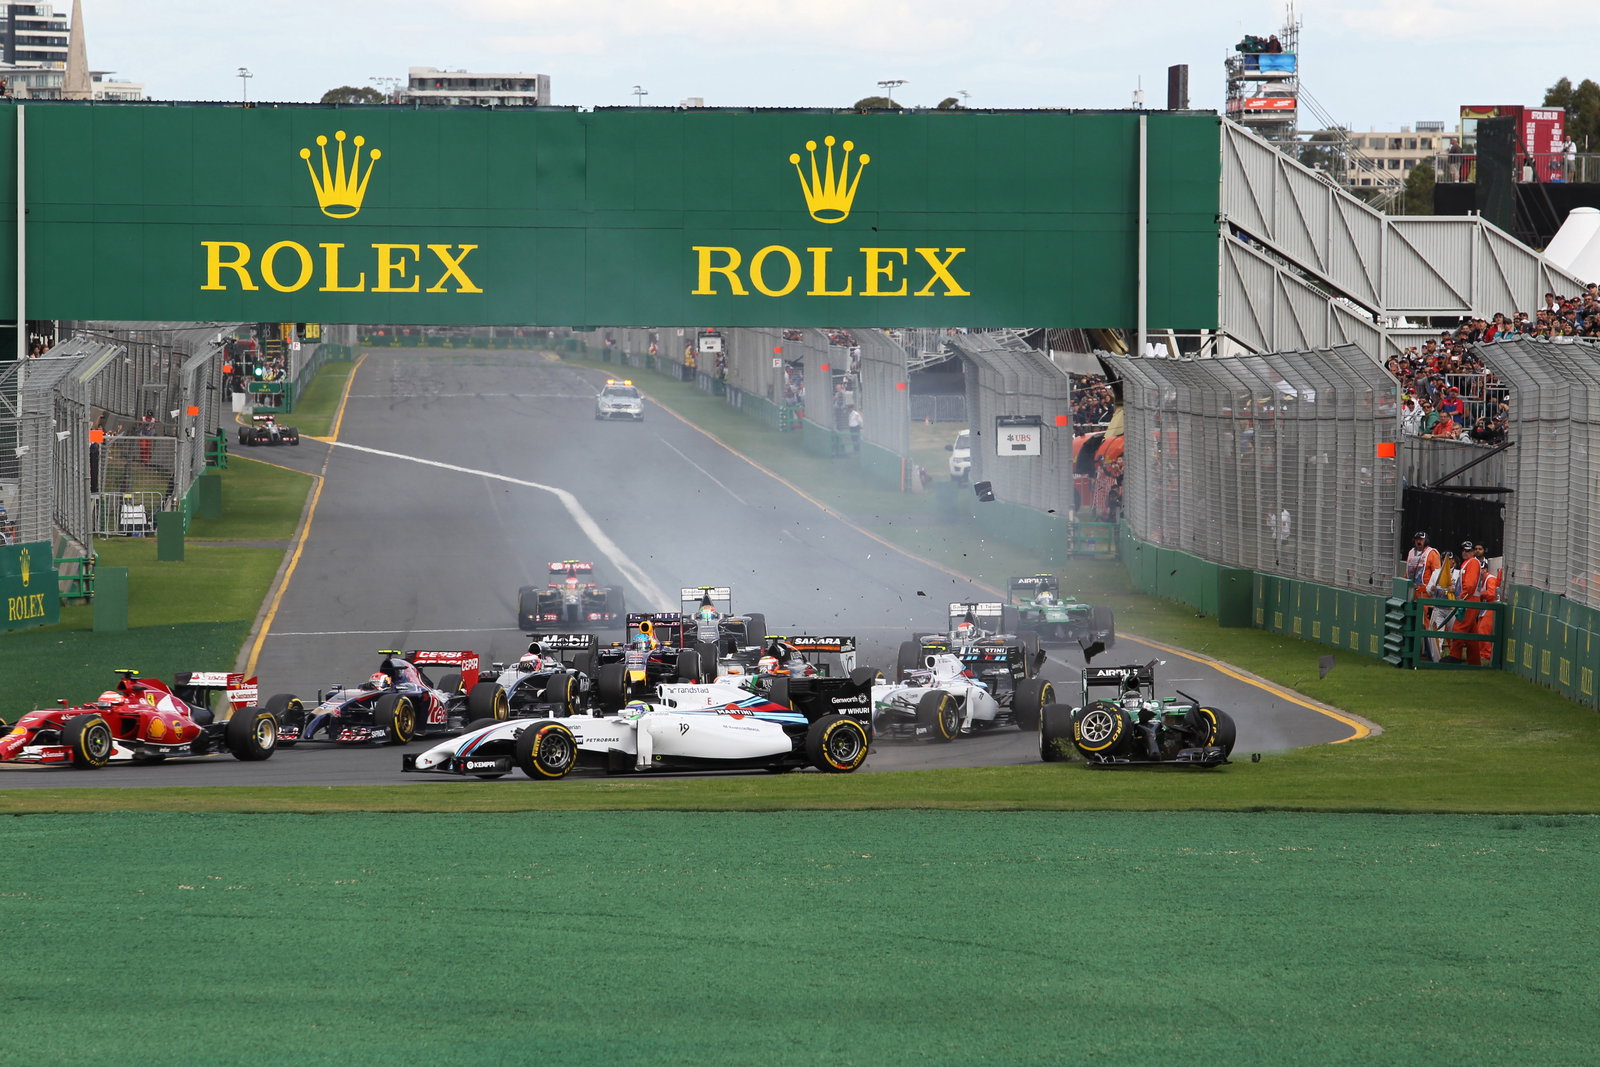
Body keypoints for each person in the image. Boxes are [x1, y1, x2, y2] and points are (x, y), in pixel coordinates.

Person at [1449, 541, 1486, 664]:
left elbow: (1469, 585)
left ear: (1473, 552)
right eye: (1464, 550)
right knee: (1471, 635)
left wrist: (1462, 598)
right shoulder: (1469, 563)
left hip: (1469, 601)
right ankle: (1474, 662)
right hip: (1470, 600)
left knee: (1458, 629)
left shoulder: (1473, 563)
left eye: (1468, 550)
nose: (1465, 552)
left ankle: (1454, 658)